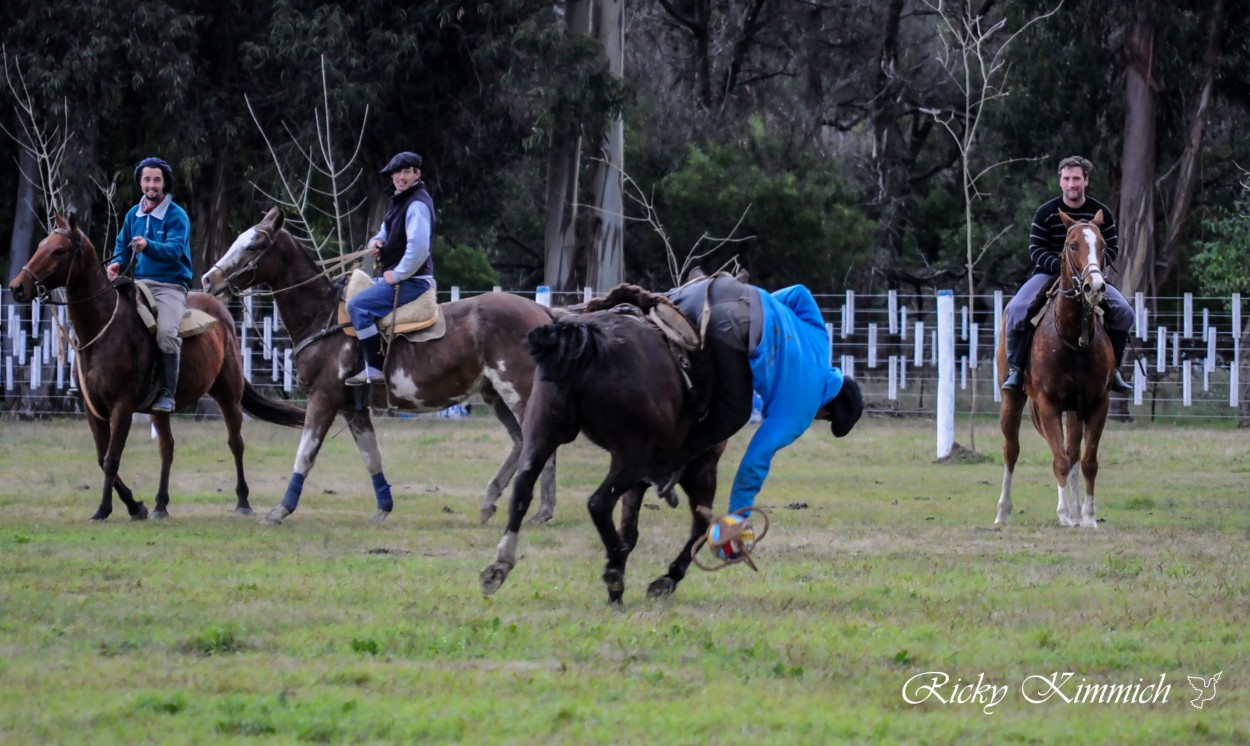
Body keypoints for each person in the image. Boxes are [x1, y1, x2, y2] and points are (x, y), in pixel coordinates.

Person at [663, 274, 863, 519]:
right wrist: (738, 515)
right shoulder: (800, 412)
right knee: (735, 414)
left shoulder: (821, 340)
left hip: (716, 291)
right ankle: (669, 462)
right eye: (824, 420)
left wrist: (764, 304)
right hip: (731, 325)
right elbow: (755, 463)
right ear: (829, 412)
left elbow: (799, 291)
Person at [1002, 155, 1133, 393]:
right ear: (1060, 182)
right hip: (1048, 273)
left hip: (1089, 276)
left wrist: (1090, 267)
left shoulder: (1101, 212)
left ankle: (1114, 371)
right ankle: (1016, 370)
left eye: (1076, 179)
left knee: (1124, 311)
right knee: (1015, 309)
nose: (1071, 184)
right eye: (1067, 179)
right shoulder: (1045, 212)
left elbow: (1111, 248)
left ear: (1086, 180)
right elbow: (1035, 249)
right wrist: (1062, 268)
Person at [107, 156, 194, 413]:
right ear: (140, 183)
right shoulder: (133, 213)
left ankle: (167, 393)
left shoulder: (177, 216)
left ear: (165, 183)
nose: (151, 184)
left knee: (167, 332)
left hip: (170, 286)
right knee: (105, 316)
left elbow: (175, 251)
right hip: (138, 283)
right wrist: (116, 265)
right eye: (147, 179)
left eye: (157, 179)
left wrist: (148, 246)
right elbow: (122, 248)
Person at [345, 151, 436, 386]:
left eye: (407, 172)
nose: (401, 177)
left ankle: (374, 369)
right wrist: (375, 243)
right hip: (401, 277)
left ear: (417, 174)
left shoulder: (416, 204)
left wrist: (397, 275)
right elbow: (385, 232)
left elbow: (418, 247)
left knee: (357, 306)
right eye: (397, 172)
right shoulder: (399, 200)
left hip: (412, 281)